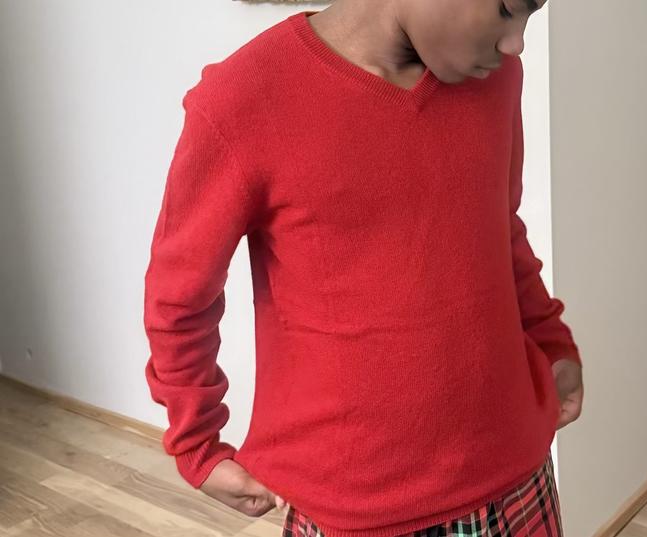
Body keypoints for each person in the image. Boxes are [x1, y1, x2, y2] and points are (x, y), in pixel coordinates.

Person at [142, 0, 584, 535]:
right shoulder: (245, 99)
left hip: (517, 475)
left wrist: (550, 339)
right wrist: (196, 441)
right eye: (507, 8)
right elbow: (180, 295)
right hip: (354, 506)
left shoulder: (496, 79)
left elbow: (499, 226)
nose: (516, 43)